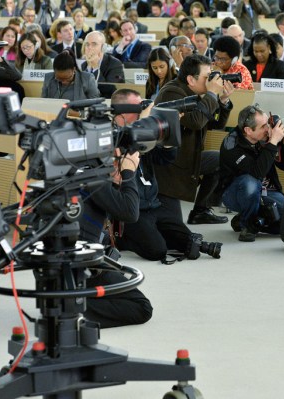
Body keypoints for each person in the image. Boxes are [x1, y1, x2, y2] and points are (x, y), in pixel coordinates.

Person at [109, 89, 221, 263]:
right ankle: (123, 239)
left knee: (188, 239)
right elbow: (124, 148)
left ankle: (154, 233)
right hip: (131, 208)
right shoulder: (110, 136)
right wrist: (144, 123)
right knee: (157, 251)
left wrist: (169, 129)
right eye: (138, 109)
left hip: (153, 203)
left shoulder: (143, 132)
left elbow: (165, 158)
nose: (143, 112)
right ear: (121, 112)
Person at [78, 135, 153, 328]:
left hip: (58, 268)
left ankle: (72, 302)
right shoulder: (96, 181)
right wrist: (129, 174)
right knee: (141, 308)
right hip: (80, 270)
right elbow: (130, 212)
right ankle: (75, 311)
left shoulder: (81, 172)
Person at [153, 54, 234, 224]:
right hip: (170, 167)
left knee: (222, 160)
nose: (211, 81)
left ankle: (201, 211)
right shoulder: (172, 93)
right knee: (173, 230)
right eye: (207, 77)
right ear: (191, 79)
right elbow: (196, 122)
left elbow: (215, 124)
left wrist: (223, 100)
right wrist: (212, 94)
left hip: (189, 158)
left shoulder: (196, 93)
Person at [220, 104, 284, 242]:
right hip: (236, 193)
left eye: (268, 123)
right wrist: (273, 142)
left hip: (267, 191)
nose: (268, 129)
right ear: (248, 130)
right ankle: (247, 226)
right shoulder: (231, 145)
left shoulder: (264, 137)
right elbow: (257, 172)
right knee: (250, 182)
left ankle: (254, 219)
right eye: (263, 126)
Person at [81, 31, 125, 98]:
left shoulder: (115, 64)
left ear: (103, 47)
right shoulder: (84, 65)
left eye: (94, 44)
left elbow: (109, 92)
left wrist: (95, 67)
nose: (89, 47)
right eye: (87, 44)